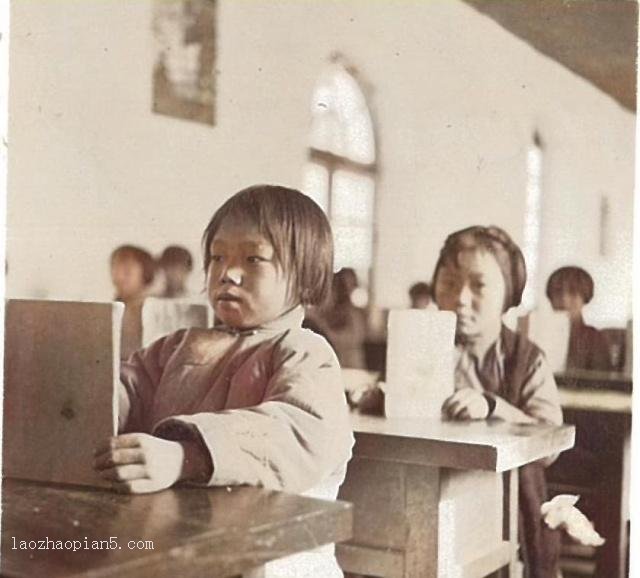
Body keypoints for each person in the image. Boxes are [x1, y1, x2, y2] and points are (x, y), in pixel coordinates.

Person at [95, 185, 354, 578]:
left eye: (253, 258)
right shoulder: (181, 344)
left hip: (273, 556)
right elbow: (129, 387)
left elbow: (293, 432)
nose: (228, 273)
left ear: (305, 277)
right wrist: (90, 398)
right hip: (185, 544)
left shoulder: (304, 352)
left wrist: (186, 457)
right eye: (217, 257)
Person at [433, 225, 563, 578]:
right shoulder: (423, 346)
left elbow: (550, 440)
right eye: (449, 282)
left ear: (508, 294)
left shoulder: (525, 358)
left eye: (479, 285)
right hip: (432, 499)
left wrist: (493, 407)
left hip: (508, 512)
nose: (460, 297)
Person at [545, 266, 611, 371]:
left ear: (584, 297)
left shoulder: (594, 338)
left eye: (573, 293)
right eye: (558, 293)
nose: (564, 300)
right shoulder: (541, 334)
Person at [110, 245, 156, 360]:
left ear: (145, 272)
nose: (119, 276)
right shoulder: (109, 310)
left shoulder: (155, 309)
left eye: (127, 270)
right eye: (115, 268)